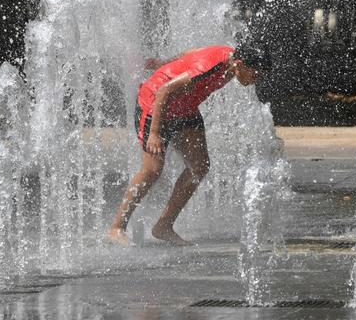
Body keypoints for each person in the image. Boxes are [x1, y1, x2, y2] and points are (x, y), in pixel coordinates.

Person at [107, 45, 260, 246]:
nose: (255, 80)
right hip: (155, 105)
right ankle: (117, 227)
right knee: (152, 170)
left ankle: (163, 226)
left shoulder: (231, 58)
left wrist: (165, 63)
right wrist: (154, 133)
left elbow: (190, 54)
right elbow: (164, 90)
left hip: (185, 108)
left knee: (199, 166)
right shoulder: (209, 67)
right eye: (254, 74)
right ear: (240, 65)